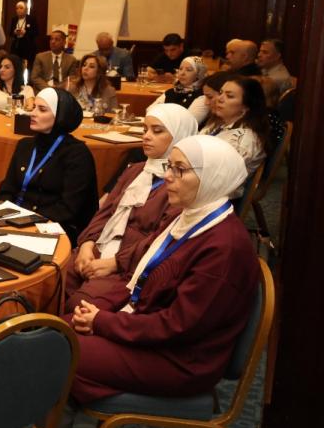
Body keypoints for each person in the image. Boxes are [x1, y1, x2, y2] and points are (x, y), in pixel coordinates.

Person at [68, 135, 259, 404]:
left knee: (59, 350)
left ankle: (50, 423)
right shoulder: (187, 216)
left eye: (179, 169)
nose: (167, 176)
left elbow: (179, 326)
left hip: (181, 359)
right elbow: (141, 282)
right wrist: (99, 311)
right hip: (149, 330)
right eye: (169, 166)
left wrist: (103, 322)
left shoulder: (224, 248)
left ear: (213, 178)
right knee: (54, 331)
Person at [64, 104, 199, 314]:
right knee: (53, 278)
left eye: (157, 131)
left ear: (180, 136)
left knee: (81, 304)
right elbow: (105, 213)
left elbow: (162, 239)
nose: (146, 136)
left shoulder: (180, 184)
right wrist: (87, 245)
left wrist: (115, 263)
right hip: (103, 246)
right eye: (145, 129)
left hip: (133, 266)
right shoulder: (136, 170)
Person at [0, 88, 98, 240]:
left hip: (54, 226)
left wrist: (26, 221)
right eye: (33, 107)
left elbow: (68, 209)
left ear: (60, 116)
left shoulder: (77, 154)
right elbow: (7, 189)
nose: (33, 113)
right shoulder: (24, 145)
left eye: (42, 109)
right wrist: (1, 216)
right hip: (14, 220)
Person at [199, 75, 268, 178]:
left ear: (246, 106)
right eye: (221, 93)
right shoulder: (218, 123)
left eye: (229, 96)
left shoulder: (243, 141)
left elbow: (217, 176)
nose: (219, 98)